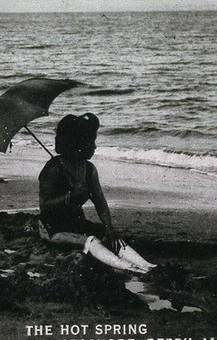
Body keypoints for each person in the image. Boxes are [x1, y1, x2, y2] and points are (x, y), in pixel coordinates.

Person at [38, 113, 157, 274]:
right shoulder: (53, 169)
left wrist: (109, 227)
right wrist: (69, 197)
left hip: (77, 222)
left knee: (110, 237)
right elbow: (45, 205)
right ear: (76, 143)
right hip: (52, 227)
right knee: (91, 241)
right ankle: (132, 268)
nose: (94, 147)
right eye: (90, 142)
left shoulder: (89, 169)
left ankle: (147, 265)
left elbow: (99, 200)